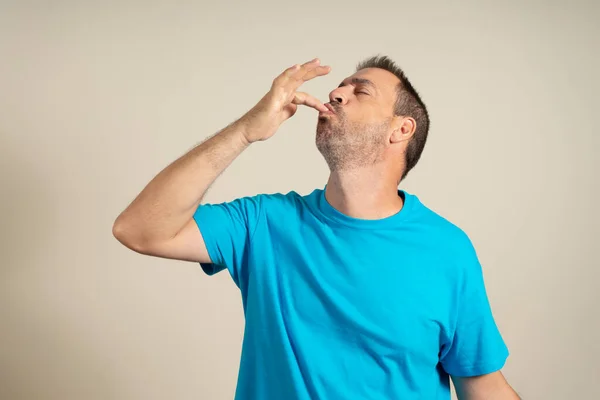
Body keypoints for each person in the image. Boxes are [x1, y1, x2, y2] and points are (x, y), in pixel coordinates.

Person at [113, 56, 520, 399]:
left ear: (401, 129)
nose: (336, 94)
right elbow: (140, 229)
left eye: (360, 91)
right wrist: (244, 131)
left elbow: (482, 384)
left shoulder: (447, 250)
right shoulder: (264, 224)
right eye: (339, 87)